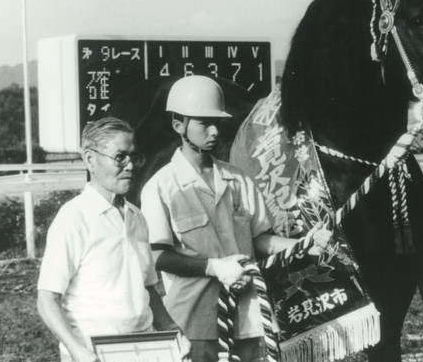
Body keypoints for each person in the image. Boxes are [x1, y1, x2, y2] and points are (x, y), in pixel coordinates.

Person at [140, 75, 330, 362]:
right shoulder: (161, 187)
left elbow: (260, 240)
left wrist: (304, 245)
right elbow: (158, 257)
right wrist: (214, 268)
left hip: (247, 317)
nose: (214, 131)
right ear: (178, 125)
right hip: (194, 321)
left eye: (217, 122)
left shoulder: (239, 179)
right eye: (204, 123)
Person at [37, 117, 187, 362]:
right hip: (92, 353)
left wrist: (175, 332)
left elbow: (147, 289)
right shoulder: (73, 218)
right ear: (90, 159)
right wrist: (77, 350)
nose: (130, 166)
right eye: (120, 157)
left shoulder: (137, 217)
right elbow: (47, 299)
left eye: (134, 157)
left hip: (144, 349)